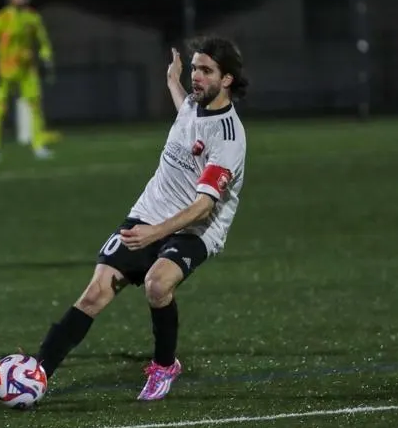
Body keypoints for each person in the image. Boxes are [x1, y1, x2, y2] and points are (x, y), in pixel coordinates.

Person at [30, 36, 249, 401]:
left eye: (206, 71)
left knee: (157, 284)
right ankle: (37, 373)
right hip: (148, 212)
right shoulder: (194, 105)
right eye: (194, 68)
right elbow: (186, 115)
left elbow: (203, 206)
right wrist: (172, 81)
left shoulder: (229, 137)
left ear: (226, 79)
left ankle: (164, 365)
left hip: (197, 228)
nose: (196, 76)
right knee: (94, 294)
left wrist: (154, 235)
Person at [0, 0, 57, 162]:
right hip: (5, 70)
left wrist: (47, 60)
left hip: (27, 70)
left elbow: (43, 41)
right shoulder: (1, 17)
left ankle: (38, 146)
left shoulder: (32, 17)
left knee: (36, 107)